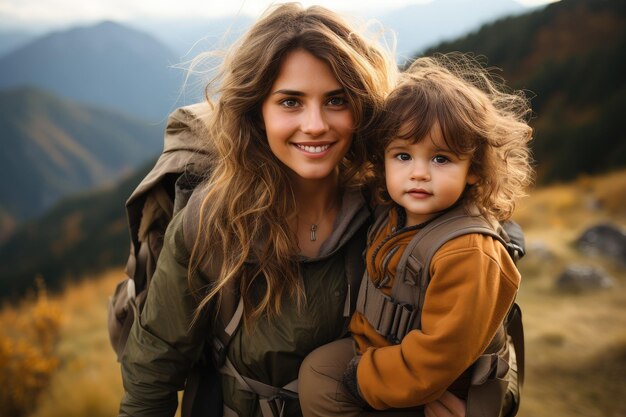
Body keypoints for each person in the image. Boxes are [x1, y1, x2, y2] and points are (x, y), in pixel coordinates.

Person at [117, 4, 475, 417]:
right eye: (290, 102)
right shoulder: (212, 222)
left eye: (336, 100)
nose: (316, 124)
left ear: (361, 107)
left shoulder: (401, 209)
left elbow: (486, 354)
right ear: (258, 112)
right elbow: (152, 372)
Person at [298, 54, 533, 417]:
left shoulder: (468, 252)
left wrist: (365, 379)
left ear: (474, 169)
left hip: (437, 384)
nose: (419, 173)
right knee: (316, 371)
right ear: (383, 160)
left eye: (441, 159)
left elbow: (440, 357)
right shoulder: (392, 214)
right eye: (403, 156)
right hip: (383, 355)